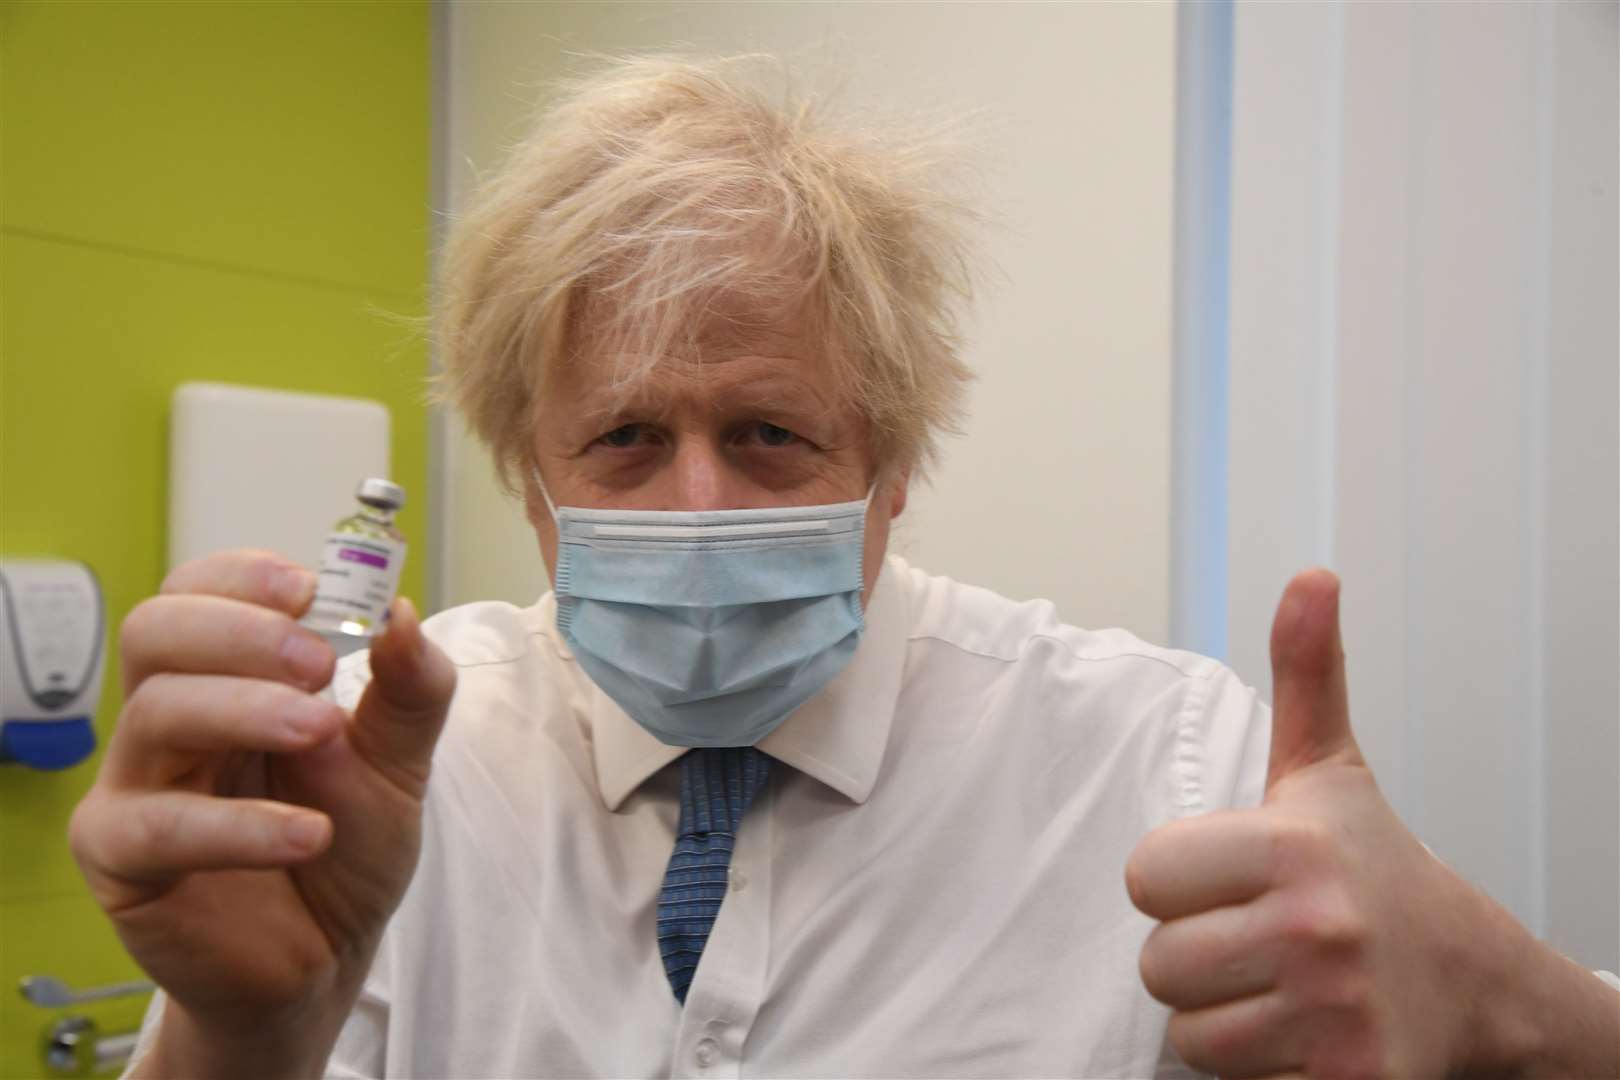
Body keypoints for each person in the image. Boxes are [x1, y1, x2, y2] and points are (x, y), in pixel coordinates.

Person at [72, 54, 1617, 1079]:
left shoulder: (1164, 762)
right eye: (620, 440)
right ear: (529, 491)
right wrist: (238, 1032)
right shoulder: (368, 776)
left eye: (767, 435)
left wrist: (1506, 1003)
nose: (692, 507)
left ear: (889, 471)